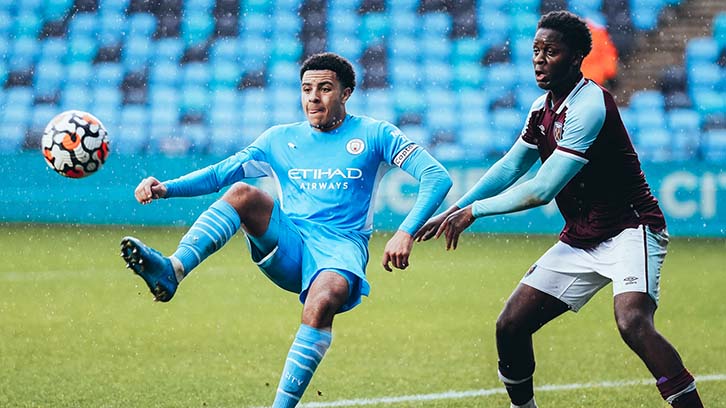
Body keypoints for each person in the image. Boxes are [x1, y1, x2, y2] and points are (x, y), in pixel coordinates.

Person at [120, 52, 452, 407]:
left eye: (325, 88)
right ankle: (174, 269)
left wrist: (406, 231)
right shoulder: (279, 139)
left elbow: (436, 176)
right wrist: (165, 188)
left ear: (346, 93)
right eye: (307, 89)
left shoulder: (375, 134)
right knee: (243, 193)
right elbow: (220, 174)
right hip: (290, 243)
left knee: (323, 299)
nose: (313, 97)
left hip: (342, 248)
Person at [415, 11, 703, 408]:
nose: (539, 58)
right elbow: (512, 166)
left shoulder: (590, 105)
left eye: (550, 51)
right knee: (511, 325)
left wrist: (475, 212)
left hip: (629, 229)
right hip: (583, 236)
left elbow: (543, 188)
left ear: (576, 57)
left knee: (633, 323)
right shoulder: (542, 107)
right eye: (535, 50)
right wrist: (457, 207)